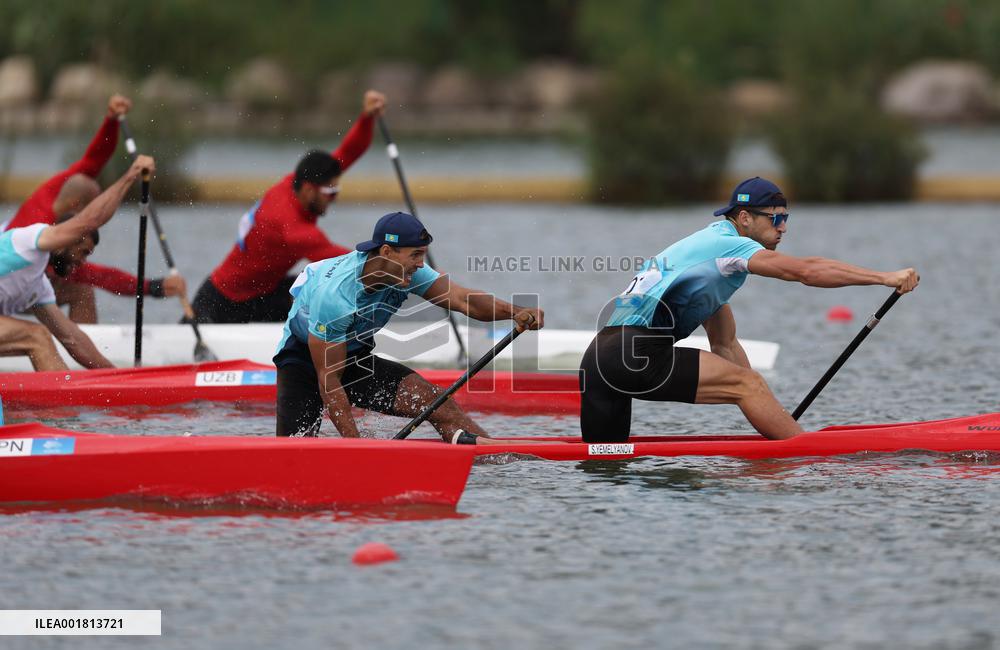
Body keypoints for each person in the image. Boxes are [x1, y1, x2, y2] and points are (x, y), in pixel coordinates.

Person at [580, 177, 920, 443]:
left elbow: (724, 346)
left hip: (599, 361)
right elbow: (805, 271)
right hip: (635, 354)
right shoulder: (728, 246)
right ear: (744, 218)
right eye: (776, 218)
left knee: (606, 461)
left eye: (786, 218)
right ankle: (806, 456)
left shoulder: (705, 259)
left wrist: (772, 413)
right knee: (748, 385)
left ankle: (788, 441)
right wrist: (884, 277)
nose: (784, 227)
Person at [274, 211, 544, 443]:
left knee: (439, 404)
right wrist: (357, 451)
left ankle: (498, 461)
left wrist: (515, 312)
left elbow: (464, 301)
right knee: (295, 447)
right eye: (415, 255)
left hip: (354, 358)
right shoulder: (336, 297)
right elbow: (330, 383)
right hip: (303, 362)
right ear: (387, 252)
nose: (420, 264)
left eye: (422, 255)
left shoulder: (407, 271)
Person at [192, 90, 387, 323]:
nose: (334, 199)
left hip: (263, 291)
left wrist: (367, 118)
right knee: (327, 288)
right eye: (330, 192)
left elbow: (348, 152)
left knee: (316, 288)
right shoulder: (291, 225)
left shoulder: (295, 182)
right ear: (308, 189)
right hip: (224, 305)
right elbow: (345, 262)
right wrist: (390, 265)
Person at [4, 95, 186, 323]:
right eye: (90, 207)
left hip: (23, 279)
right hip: (10, 286)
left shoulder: (58, 190)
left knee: (77, 286)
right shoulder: (47, 233)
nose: (94, 214)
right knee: (82, 290)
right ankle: (78, 353)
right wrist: (152, 287)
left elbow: (93, 161)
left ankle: (77, 348)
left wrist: (111, 120)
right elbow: (96, 276)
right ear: (77, 206)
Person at [0, 155, 157, 370]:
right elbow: (89, 221)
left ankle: (63, 400)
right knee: (37, 336)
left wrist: (117, 378)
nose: (81, 263)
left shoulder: (39, 286)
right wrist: (129, 177)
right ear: (69, 239)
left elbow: (72, 338)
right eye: (83, 253)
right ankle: (61, 401)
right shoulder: (29, 239)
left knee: (41, 337)